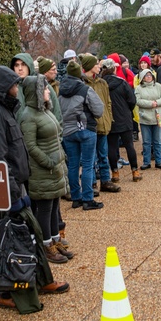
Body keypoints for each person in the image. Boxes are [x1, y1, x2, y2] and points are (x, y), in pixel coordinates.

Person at [0, 66, 69, 312]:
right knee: (11, 243)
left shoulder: (3, 108)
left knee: (30, 238)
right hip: (8, 190)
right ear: (1, 87)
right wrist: (12, 191)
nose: (16, 90)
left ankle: (39, 281)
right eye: (13, 86)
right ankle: (7, 290)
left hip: (17, 184)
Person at [19, 75, 72, 264]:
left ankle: (55, 240)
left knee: (54, 206)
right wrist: (49, 162)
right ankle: (46, 245)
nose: (49, 91)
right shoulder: (28, 116)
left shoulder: (44, 111)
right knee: (45, 209)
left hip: (54, 169)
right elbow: (30, 146)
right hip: (43, 170)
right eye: (45, 89)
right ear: (36, 93)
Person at [58, 60, 105, 210]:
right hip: (85, 129)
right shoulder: (85, 89)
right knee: (87, 164)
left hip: (68, 131)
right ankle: (87, 199)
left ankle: (76, 198)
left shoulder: (60, 91)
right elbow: (99, 110)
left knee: (73, 164)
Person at [82, 54, 118, 193]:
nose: (99, 67)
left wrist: (109, 119)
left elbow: (108, 102)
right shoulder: (82, 83)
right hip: (90, 126)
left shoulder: (103, 83)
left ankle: (105, 181)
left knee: (103, 155)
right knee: (90, 158)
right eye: (97, 64)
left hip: (103, 125)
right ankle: (92, 184)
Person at [102, 57, 140, 182]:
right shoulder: (122, 82)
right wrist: (127, 110)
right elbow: (132, 100)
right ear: (114, 69)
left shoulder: (101, 84)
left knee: (112, 147)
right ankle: (135, 171)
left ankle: (115, 173)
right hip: (124, 117)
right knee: (129, 146)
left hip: (109, 118)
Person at [135, 68, 161, 169]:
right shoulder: (139, 88)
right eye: (146, 76)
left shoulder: (158, 86)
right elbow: (138, 101)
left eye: (150, 75)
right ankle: (146, 161)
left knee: (157, 141)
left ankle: (159, 161)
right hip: (145, 117)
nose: (148, 77)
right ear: (142, 78)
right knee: (146, 142)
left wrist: (157, 103)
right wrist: (150, 104)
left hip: (157, 117)